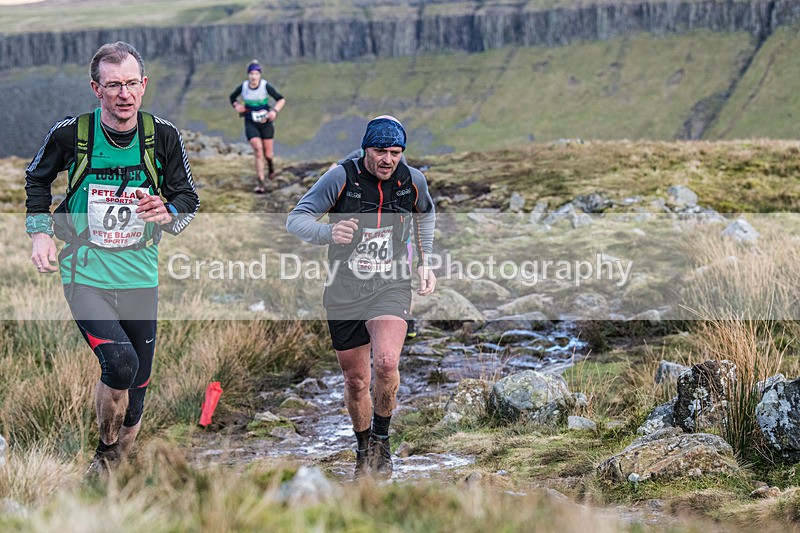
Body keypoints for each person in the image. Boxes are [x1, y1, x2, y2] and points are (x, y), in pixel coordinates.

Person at [24, 41, 200, 479]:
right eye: (113, 84)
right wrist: (41, 234)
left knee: (137, 390)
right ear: (96, 88)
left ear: (144, 86)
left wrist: (169, 213)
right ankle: (103, 458)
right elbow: (36, 179)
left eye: (131, 84)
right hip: (85, 272)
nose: (124, 93)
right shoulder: (73, 135)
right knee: (120, 364)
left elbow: (188, 199)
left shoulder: (163, 136)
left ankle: (114, 473)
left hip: (140, 274)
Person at [287, 115, 436, 479]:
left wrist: (424, 262)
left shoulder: (412, 180)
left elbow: (426, 215)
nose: (388, 159)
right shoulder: (342, 177)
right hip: (344, 288)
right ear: (366, 148)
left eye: (395, 152)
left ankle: (381, 443)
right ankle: (363, 447)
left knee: (386, 362)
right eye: (380, 151)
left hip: (391, 284)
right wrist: (328, 231)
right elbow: (296, 218)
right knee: (356, 380)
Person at [229, 59, 286, 194]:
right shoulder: (243, 87)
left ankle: (271, 167)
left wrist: (274, 111)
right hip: (250, 123)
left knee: (268, 154)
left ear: (260, 75)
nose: (253, 76)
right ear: (248, 75)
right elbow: (232, 97)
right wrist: (237, 106)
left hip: (266, 123)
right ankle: (260, 183)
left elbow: (281, 99)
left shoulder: (265, 86)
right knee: (258, 151)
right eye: (251, 74)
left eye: (256, 74)